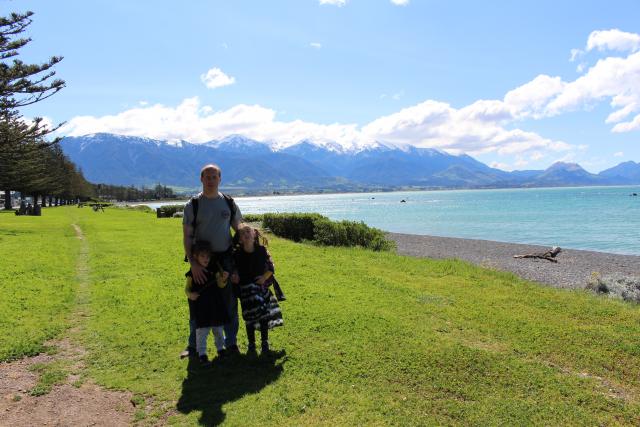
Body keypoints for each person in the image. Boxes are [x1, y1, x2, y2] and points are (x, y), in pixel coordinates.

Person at [181, 164, 243, 358]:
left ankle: (231, 343)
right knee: (197, 302)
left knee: (229, 303)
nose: (210, 180)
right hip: (201, 262)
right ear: (201, 179)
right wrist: (193, 263)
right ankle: (193, 347)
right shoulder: (193, 205)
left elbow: (239, 227)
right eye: (207, 177)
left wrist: (254, 235)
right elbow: (187, 237)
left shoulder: (229, 202)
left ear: (220, 179)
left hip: (225, 259)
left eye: (214, 176)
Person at [231, 223, 283, 354]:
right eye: (243, 233)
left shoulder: (262, 250)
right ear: (240, 239)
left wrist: (264, 278)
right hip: (245, 291)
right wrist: (235, 275)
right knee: (248, 317)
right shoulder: (237, 254)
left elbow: (271, 268)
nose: (246, 234)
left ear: (254, 234)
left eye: (248, 231)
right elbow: (234, 269)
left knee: (264, 315)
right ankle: (251, 344)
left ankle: (264, 343)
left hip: (260, 288)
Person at [185, 241, 230, 365]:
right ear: (195, 257)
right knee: (202, 332)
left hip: (215, 305)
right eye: (203, 256)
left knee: (218, 329)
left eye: (208, 257)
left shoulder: (214, 269)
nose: (206, 259)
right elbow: (187, 289)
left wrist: (223, 279)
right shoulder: (192, 273)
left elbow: (220, 285)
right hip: (201, 307)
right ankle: (202, 354)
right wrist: (191, 295)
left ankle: (221, 349)